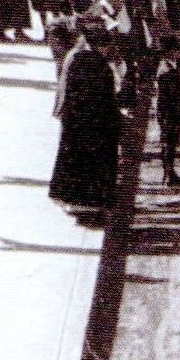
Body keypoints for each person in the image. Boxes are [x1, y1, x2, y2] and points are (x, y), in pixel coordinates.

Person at [48, 21, 122, 216]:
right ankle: (89, 200)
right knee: (91, 161)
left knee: (71, 157)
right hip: (90, 120)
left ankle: (70, 197)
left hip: (74, 118)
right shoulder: (93, 63)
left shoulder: (75, 55)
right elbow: (104, 97)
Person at [155, 53, 180, 187]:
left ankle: (169, 172)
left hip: (168, 112)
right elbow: (174, 93)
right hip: (170, 112)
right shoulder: (168, 70)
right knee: (169, 143)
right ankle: (169, 174)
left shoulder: (168, 67)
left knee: (170, 142)